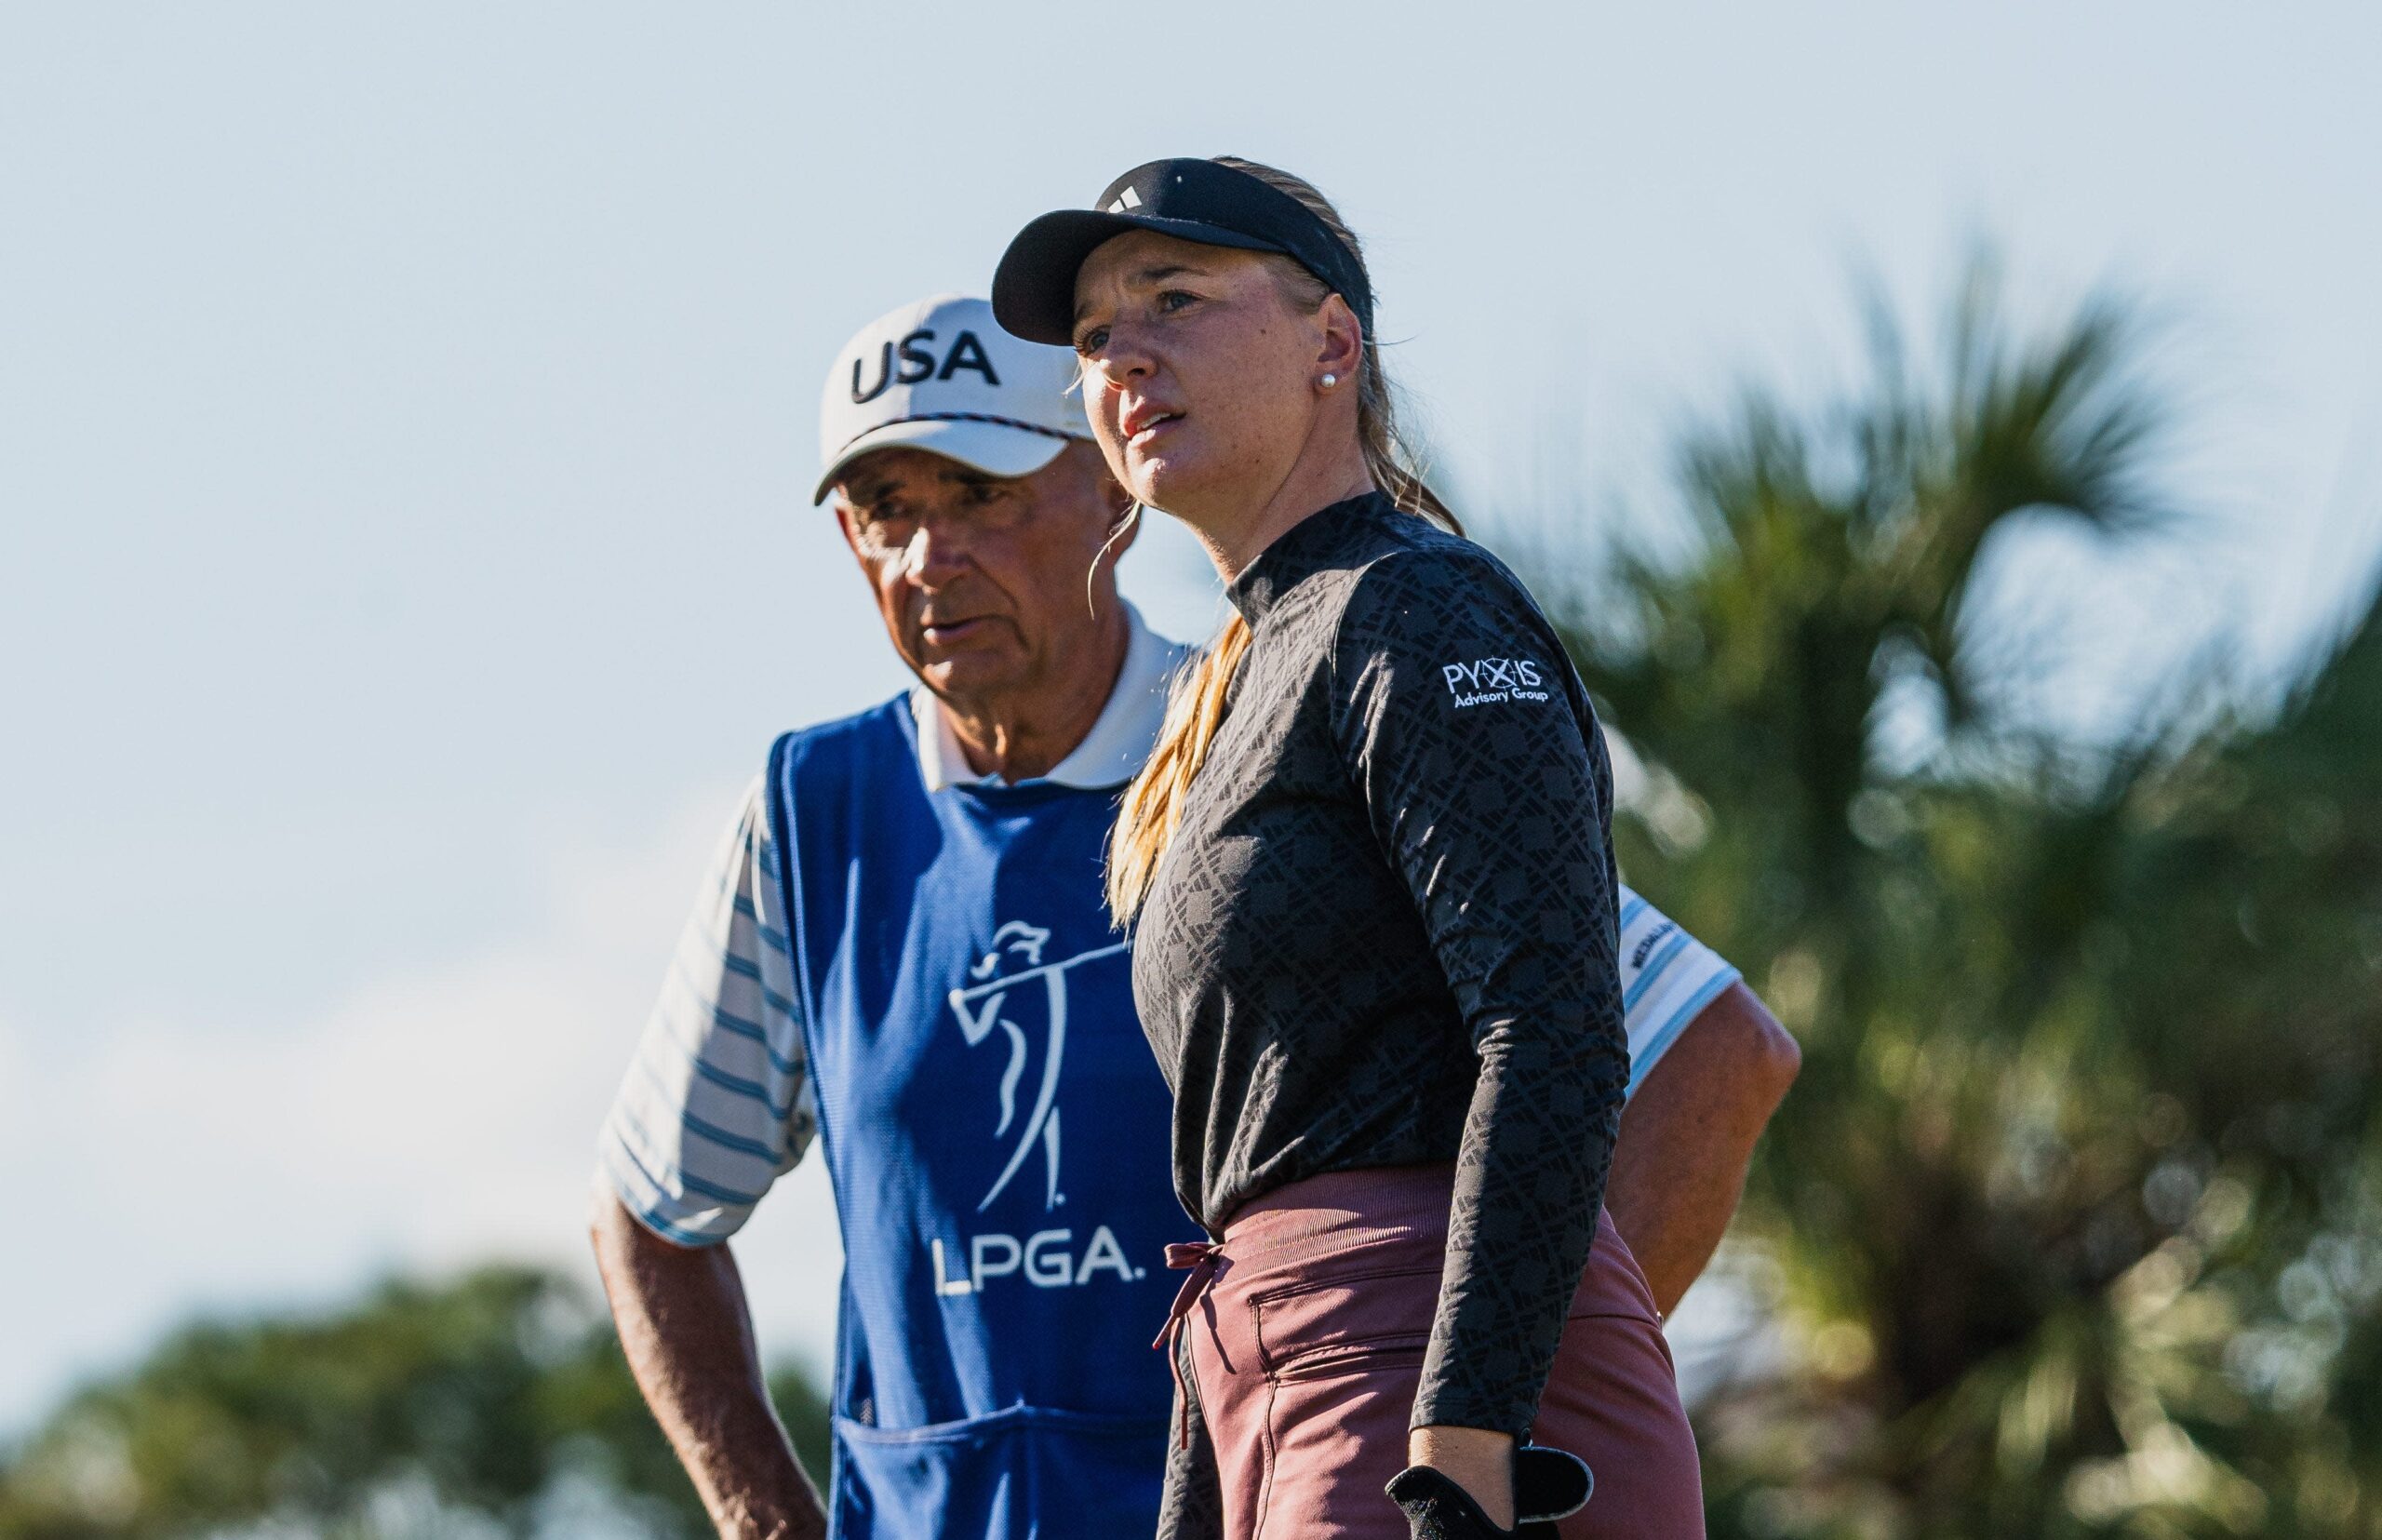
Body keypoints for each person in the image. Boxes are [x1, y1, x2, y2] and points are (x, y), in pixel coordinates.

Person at [590, 290, 1794, 1539]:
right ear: (850, 541)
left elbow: (1712, 1053)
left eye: (984, 492)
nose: (931, 556)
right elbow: (647, 1214)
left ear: (1112, 488)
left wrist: (1478, 1396)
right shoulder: (810, 816)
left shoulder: (1271, 711)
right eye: (888, 508)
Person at [993, 156, 1716, 1537]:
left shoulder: (1419, 609)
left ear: (1333, 342)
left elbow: (1553, 1029)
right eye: (1093, 338)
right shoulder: (1240, 675)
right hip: (1283, 1384)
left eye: (1176, 299)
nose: (1123, 356)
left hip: (1443, 1390)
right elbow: (1242, 1178)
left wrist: (1467, 1443)